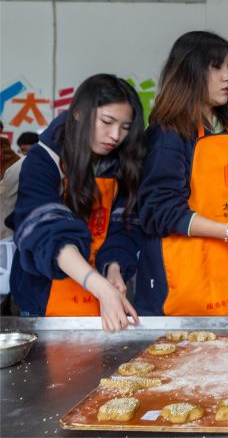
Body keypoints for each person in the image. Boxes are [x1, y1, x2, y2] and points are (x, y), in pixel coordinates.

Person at [136, 31, 228, 316]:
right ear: (189, 72)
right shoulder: (168, 135)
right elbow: (159, 209)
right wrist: (226, 232)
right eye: (217, 68)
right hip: (187, 281)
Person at [8, 74, 146, 331]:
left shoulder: (124, 163)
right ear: (79, 114)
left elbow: (122, 226)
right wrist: (98, 284)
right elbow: (46, 233)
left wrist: (114, 269)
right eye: (107, 121)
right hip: (45, 301)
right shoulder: (44, 159)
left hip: (102, 296)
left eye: (125, 127)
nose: (115, 135)